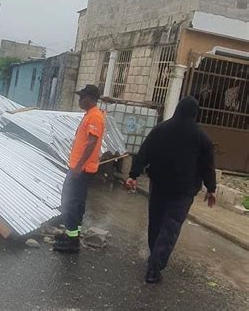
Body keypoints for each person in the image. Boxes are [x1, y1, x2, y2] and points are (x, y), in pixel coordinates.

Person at [125, 96, 216, 283]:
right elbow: (208, 165)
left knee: (156, 222)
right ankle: (155, 265)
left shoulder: (161, 129)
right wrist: (211, 188)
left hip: (159, 184)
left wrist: (133, 175)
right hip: (184, 190)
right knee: (171, 226)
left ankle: (154, 257)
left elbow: (144, 152)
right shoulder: (201, 136)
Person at [53, 84, 104, 253]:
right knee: (76, 202)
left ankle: (72, 242)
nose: (79, 100)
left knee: (70, 202)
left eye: (82, 97)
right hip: (80, 168)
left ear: (90, 99)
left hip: (81, 169)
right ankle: (71, 234)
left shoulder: (95, 116)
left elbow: (92, 142)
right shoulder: (90, 115)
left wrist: (79, 165)